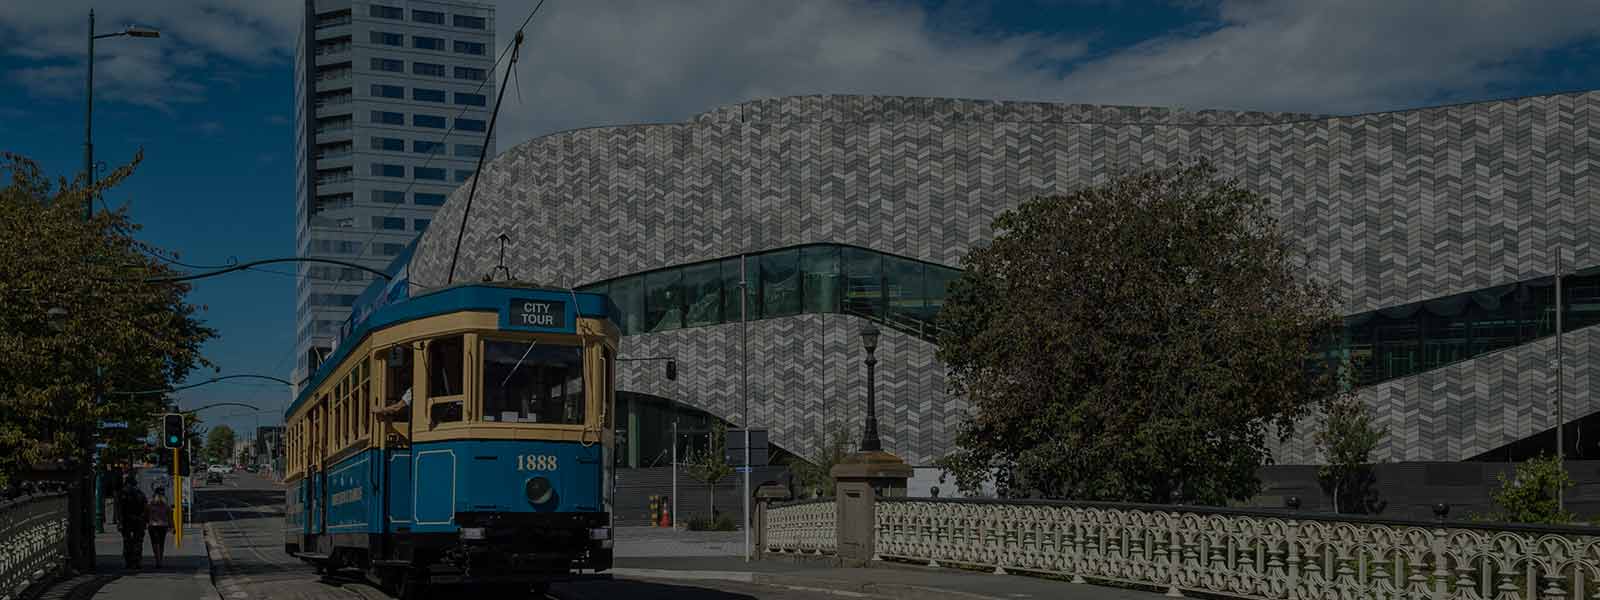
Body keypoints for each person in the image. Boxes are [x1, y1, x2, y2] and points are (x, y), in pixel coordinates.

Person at [116, 478, 147, 569]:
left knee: (127, 541)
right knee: (138, 541)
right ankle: (137, 561)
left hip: (126, 521)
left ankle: (129, 561)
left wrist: (119, 522)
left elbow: (119, 510)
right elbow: (144, 509)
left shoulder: (122, 494)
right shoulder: (140, 494)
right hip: (138, 520)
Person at [146, 488, 173, 568]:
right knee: (161, 543)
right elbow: (170, 515)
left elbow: (146, 513)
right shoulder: (166, 504)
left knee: (155, 543)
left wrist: (146, 522)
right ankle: (160, 560)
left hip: (152, 525)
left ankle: (157, 560)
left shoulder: (150, 503)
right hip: (163, 525)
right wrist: (172, 526)